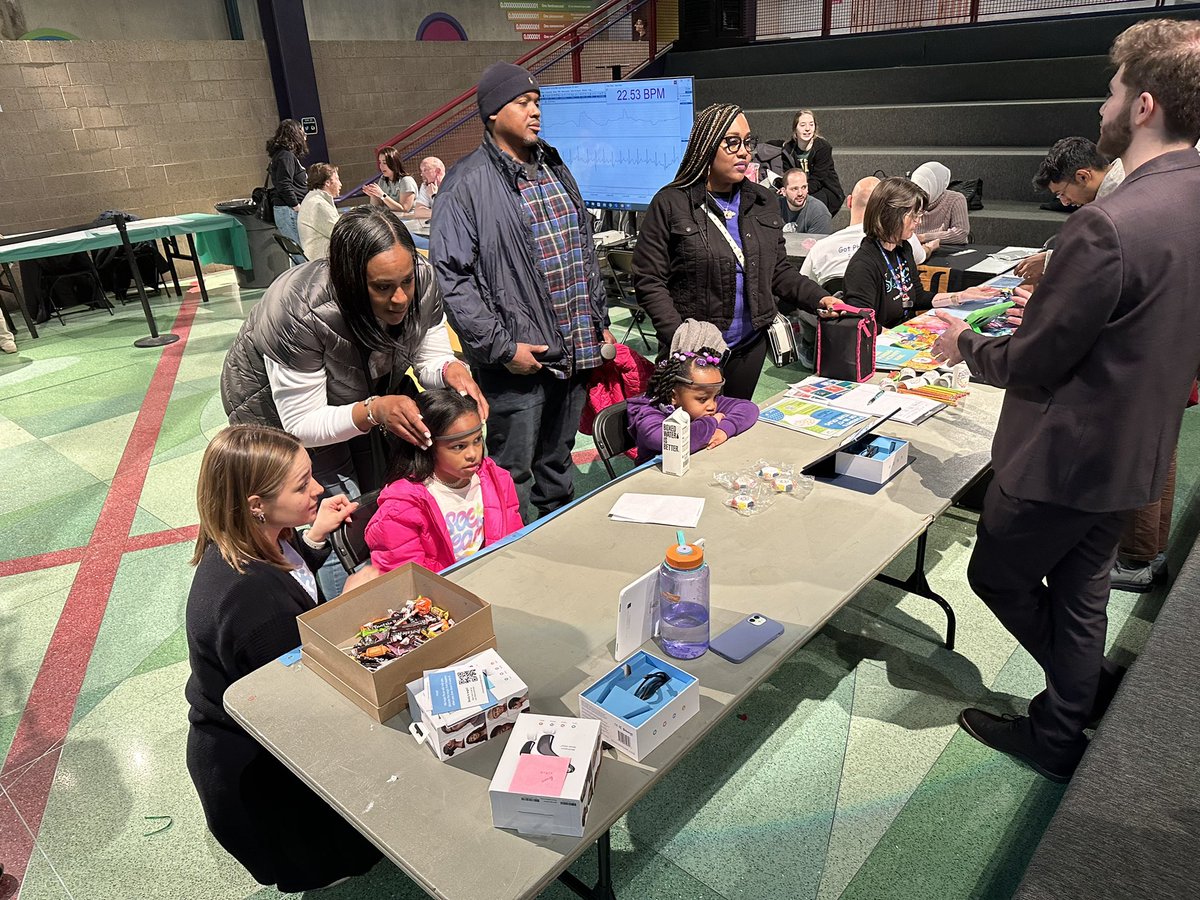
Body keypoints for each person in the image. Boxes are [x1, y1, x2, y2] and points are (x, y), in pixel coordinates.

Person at [930, 18, 1200, 782]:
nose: (1102, 106)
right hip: (1134, 453)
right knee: (1081, 594)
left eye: (1112, 90)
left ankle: (1069, 707)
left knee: (997, 576)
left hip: (1062, 460)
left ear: (1144, 104)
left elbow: (1035, 359)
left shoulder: (1107, 225)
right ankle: (1068, 713)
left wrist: (964, 347)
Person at [221, 206, 486, 594]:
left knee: (375, 499)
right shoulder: (298, 309)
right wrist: (374, 410)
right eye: (382, 287)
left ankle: (392, 593)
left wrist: (449, 370)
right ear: (349, 281)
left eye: (406, 281)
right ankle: (344, 616)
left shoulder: (422, 281)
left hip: (361, 396)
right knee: (334, 516)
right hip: (281, 416)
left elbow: (427, 358)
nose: (400, 298)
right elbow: (303, 424)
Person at [185, 425, 380, 893]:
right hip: (261, 776)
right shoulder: (250, 598)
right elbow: (302, 683)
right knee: (336, 867)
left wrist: (313, 538)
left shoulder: (253, 543)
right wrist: (350, 608)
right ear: (256, 504)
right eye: (302, 485)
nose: (319, 489)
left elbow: (290, 580)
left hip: (252, 741)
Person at [431, 62, 612, 519]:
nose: (535, 112)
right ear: (492, 113)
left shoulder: (554, 166)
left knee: (558, 458)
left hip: (573, 352)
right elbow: (452, 278)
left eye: (537, 103)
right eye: (522, 103)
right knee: (509, 473)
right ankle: (508, 556)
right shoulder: (466, 184)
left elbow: (582, 252)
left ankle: (559, 537)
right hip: (517, 364)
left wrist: (599, 322)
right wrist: (502, 347)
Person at [634, 103, 833, 400]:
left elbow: (778, 271)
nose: (744, 152)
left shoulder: (763, 201)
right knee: (691, 438)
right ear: (706, 147)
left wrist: (820, 297)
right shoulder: (671, 203)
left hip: (748, 349)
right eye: (732, 142)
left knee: (732, 432)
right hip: (693, 356)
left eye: (747, 141)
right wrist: (681, 339)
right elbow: (649, 280)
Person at [365, 390, 522, 573]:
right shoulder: (400, 509)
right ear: (426, 446)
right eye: (459, 446)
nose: (473, 454)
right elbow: (408, 578)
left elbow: (515, 540)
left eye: (477, 440)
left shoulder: (497, 480)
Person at [842, 177, 988, 328]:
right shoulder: (863, 265)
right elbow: (862, 323)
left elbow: (917, 296)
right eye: (914, 215)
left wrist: (958, 297)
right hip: (881, 343)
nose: (918, 221)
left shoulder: (903, 249)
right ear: (892, 215)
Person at [1014, 138, 1124, 283]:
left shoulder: (1119, 200)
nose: (1064, 202)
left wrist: (1051, 262)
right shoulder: (1125, 177)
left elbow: (1110, 261)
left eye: (1062, 193)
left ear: (1083, 176)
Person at [627, 347, 759, 461]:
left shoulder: (705, 401)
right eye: (702, 399)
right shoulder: (649, 414)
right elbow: (672, 441)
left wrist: (724, 429)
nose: (712, 406)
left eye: (715, 396)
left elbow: (749, 408)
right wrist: (713, 421)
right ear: (673, 396)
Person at [800, 175, 930, 287]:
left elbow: (803, 288)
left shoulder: (820, 247)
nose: (917, 221)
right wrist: (930, 247)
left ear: (849, 202)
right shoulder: (899, 239)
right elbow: (921, 256)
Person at [776, 109, 844, 213]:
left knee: (811, 203)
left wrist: (802, 191)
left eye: (811, 125)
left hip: (825, 188)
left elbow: (819, 179)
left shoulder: (823, 148)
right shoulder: (788, 150)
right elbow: (789, 174)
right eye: (802, 125)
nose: (807, 129)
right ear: (795, 129)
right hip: (799, 188)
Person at [266, 119, 309, 264]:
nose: (305, 136)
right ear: (294, 134)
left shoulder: (283, 155)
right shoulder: (286, 156)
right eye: (302, 132)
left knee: (297, 255)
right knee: (300, 255)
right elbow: (284, 184)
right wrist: (296, 206)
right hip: (289, 210)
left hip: (287, 210)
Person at [910, 161, 970, 245]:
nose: (918, 195)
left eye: (923, 190)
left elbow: (960, 234)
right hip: (915, 248)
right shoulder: (909, 198)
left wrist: (923, 237)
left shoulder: (956, 199)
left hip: (945, 249)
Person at [297, 162, 341, 261]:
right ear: (327, 183)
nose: (340, 184)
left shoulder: (312, 198)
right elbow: (340, 233)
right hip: (323, 262)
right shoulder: (318, 204)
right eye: (337, 179)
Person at [364, 146, 418, 215]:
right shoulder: (383, 179)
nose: (381, 166)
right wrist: (373, 195)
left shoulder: (406, 181)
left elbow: (404, 209)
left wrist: (382, 195)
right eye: (380, 162)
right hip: (391, 218)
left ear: (394, 163)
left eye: (384, 163)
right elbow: (378, 207)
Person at [778, 169, 833, 234]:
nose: (800, 193)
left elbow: (818, 243)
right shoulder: (774, 207)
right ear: (784, 191)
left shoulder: (819, 213)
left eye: (803, 187)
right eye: (794, 189)